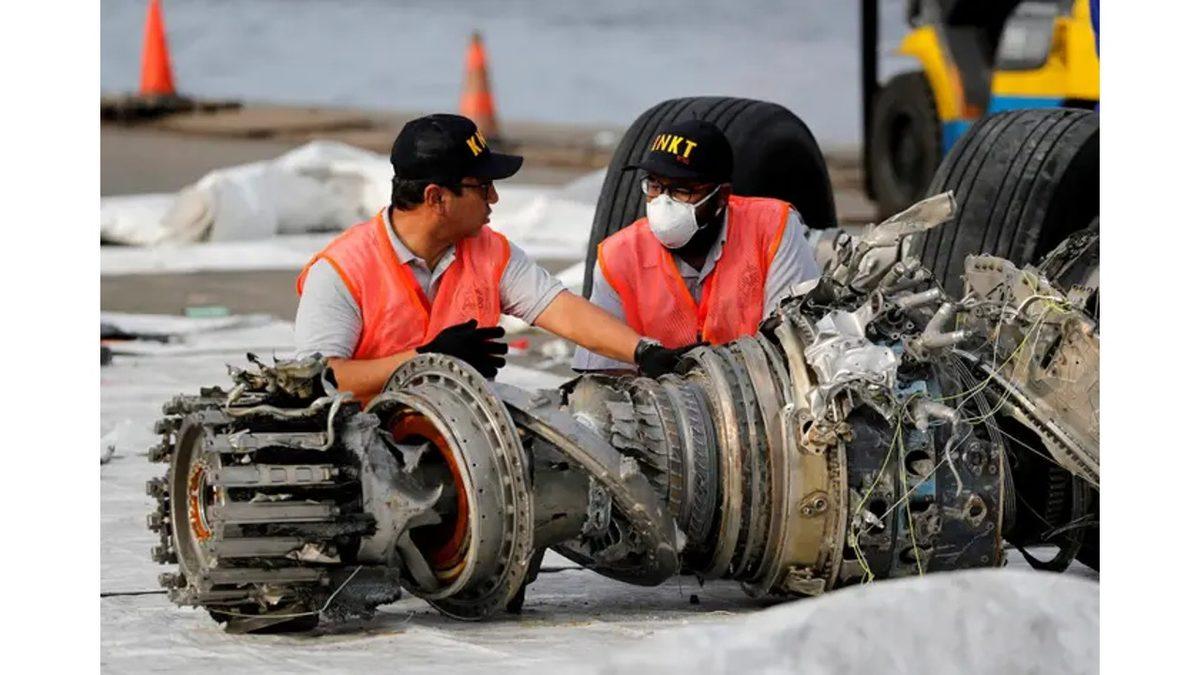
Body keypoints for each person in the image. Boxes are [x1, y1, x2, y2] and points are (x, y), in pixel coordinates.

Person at [295, 114, 687, 401]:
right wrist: (426, 359)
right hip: (369, 453)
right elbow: (317, 380)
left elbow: (563, 311)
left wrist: (644, 352)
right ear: (437, 198)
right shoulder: (341, 270)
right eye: (483, 187)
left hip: (464, 439)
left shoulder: (488, 250)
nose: (495, 199)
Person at [573, 119, 822, 371]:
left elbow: (794, 341)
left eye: (682, 190)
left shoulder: (771, 227)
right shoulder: (619, 256)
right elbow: (599, 372)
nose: (663, 202)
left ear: (721, 196)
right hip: (658, 394)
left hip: (758, 387)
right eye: (655, 186)